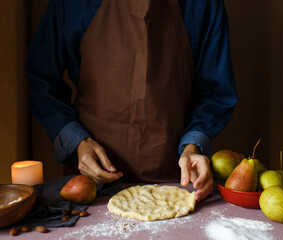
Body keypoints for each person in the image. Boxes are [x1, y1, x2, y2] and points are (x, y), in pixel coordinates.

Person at [26, 0, 237, 202]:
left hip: (178, 182)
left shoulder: (204, 4)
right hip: (90, 183)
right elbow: (42, 79)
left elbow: (215, 92)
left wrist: (193, 146)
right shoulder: (71, 3)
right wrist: (77, 142)